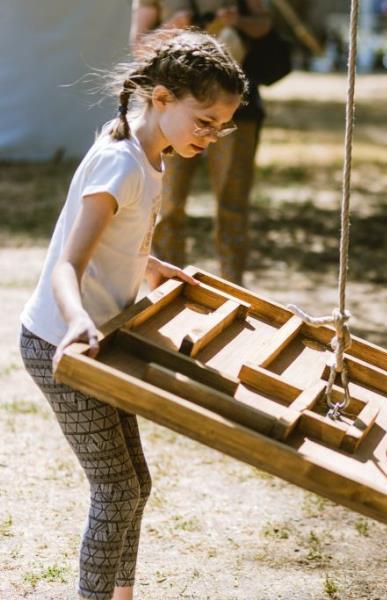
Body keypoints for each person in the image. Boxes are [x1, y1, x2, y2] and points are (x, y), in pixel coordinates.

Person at [18, 30, 247, 600]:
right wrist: (76, 321)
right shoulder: (121, 164)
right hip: (59, 345)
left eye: (221, 127)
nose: (211, 137)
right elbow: (66, 265)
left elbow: (119, 237)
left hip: (102, 339)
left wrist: (151, 265)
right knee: (116, 489)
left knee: (134, 485)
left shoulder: (147, 153)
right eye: (205, 122)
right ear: (162, 98)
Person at [131, 0, 272, 285]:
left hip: (236, 115)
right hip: (176, 114)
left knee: (233, 206)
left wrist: (237, 21)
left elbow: (265, 24)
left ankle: (234, 289)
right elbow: (138, 46)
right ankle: (168, 289)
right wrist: (174, 26)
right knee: (167, 207)